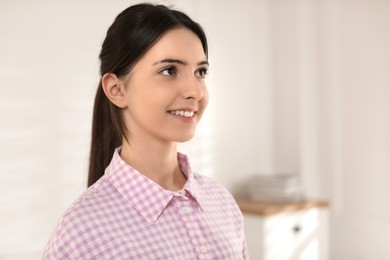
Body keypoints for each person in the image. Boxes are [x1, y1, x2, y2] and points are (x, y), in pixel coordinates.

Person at [44, 3, 247, 259]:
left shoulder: (222, 203)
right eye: (169, 70)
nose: (195, 91)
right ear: (116, 89)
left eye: (200, 72)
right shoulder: (81, 232)